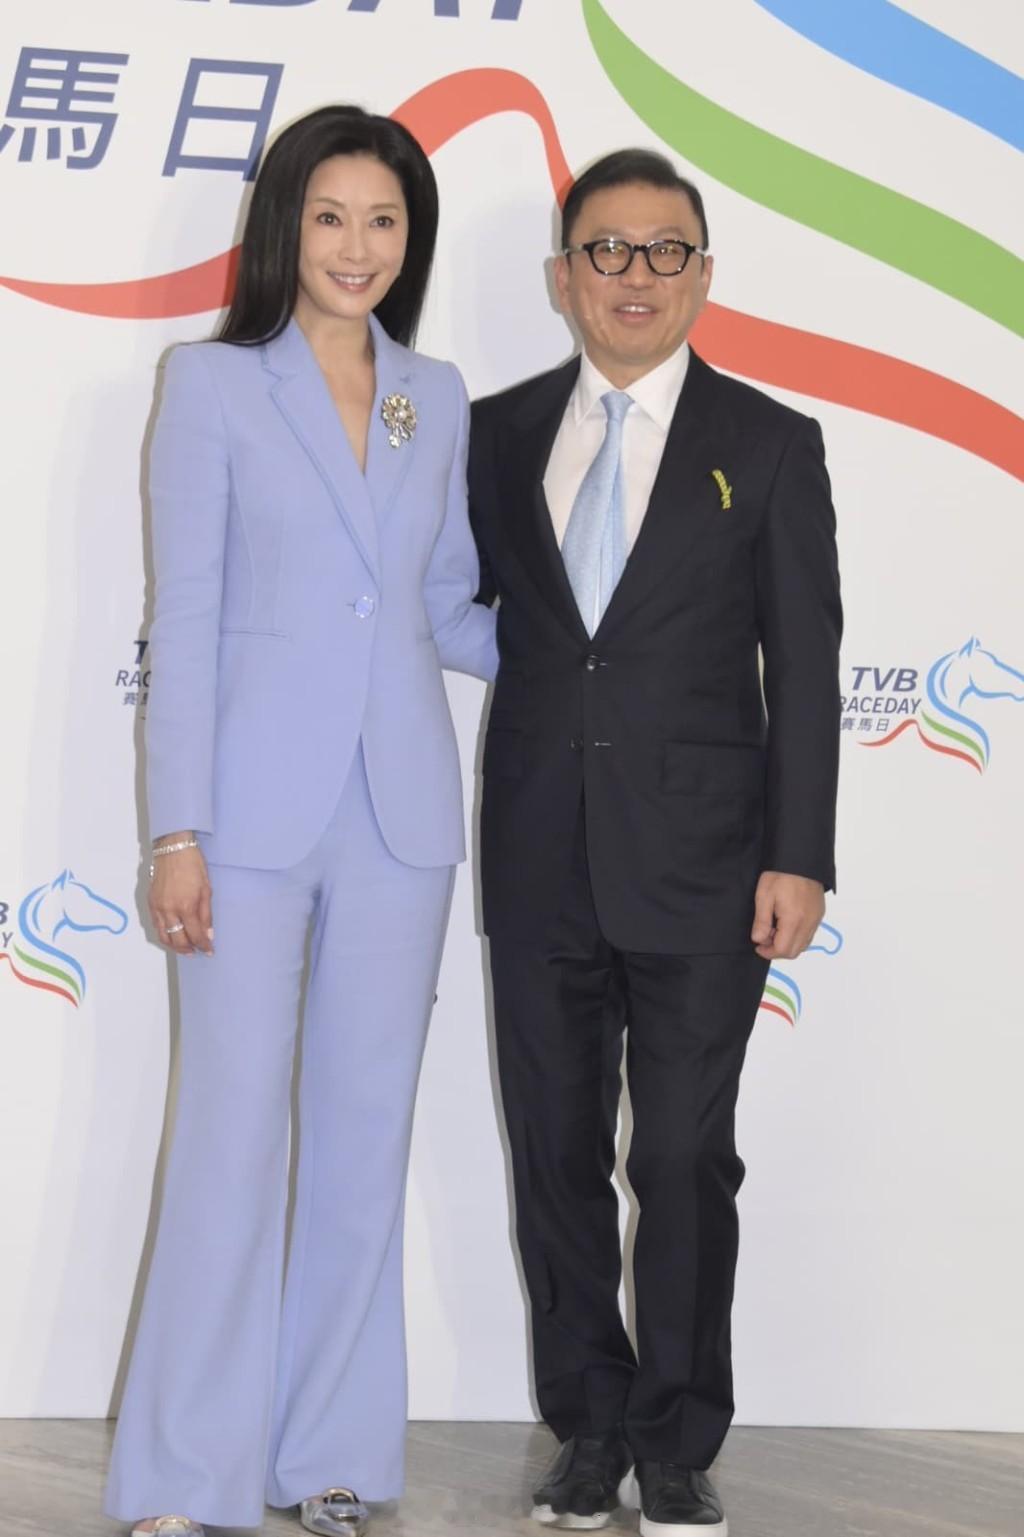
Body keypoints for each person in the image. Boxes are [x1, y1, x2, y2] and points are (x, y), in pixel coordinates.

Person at [104, 104, 497, 1537]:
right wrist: (176, 830)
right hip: (246, 828)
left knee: (359, 1142)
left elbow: (446, 600)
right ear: (285, 225)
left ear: (410, 240)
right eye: (331, 215)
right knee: (224, 1142)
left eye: (385, 220)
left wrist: (607, 640)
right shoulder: (212, 384)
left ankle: (328, 1455)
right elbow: (187, 616)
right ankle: (182, 1479)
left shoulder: (433, 393)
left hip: (399, 820)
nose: (357, 245)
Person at [468, 149, 841, 1536]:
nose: (636, 274)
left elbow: (807, 665)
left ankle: (678, 1438)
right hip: (538, 855)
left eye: (665, 250)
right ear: (563, 277)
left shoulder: (771, 442)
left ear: (703, 274)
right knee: (555, 1154)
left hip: (708, 869)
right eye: (608, 250)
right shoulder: (494, 435)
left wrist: (801, 853)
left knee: (682, 1157)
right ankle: (587, 1426)